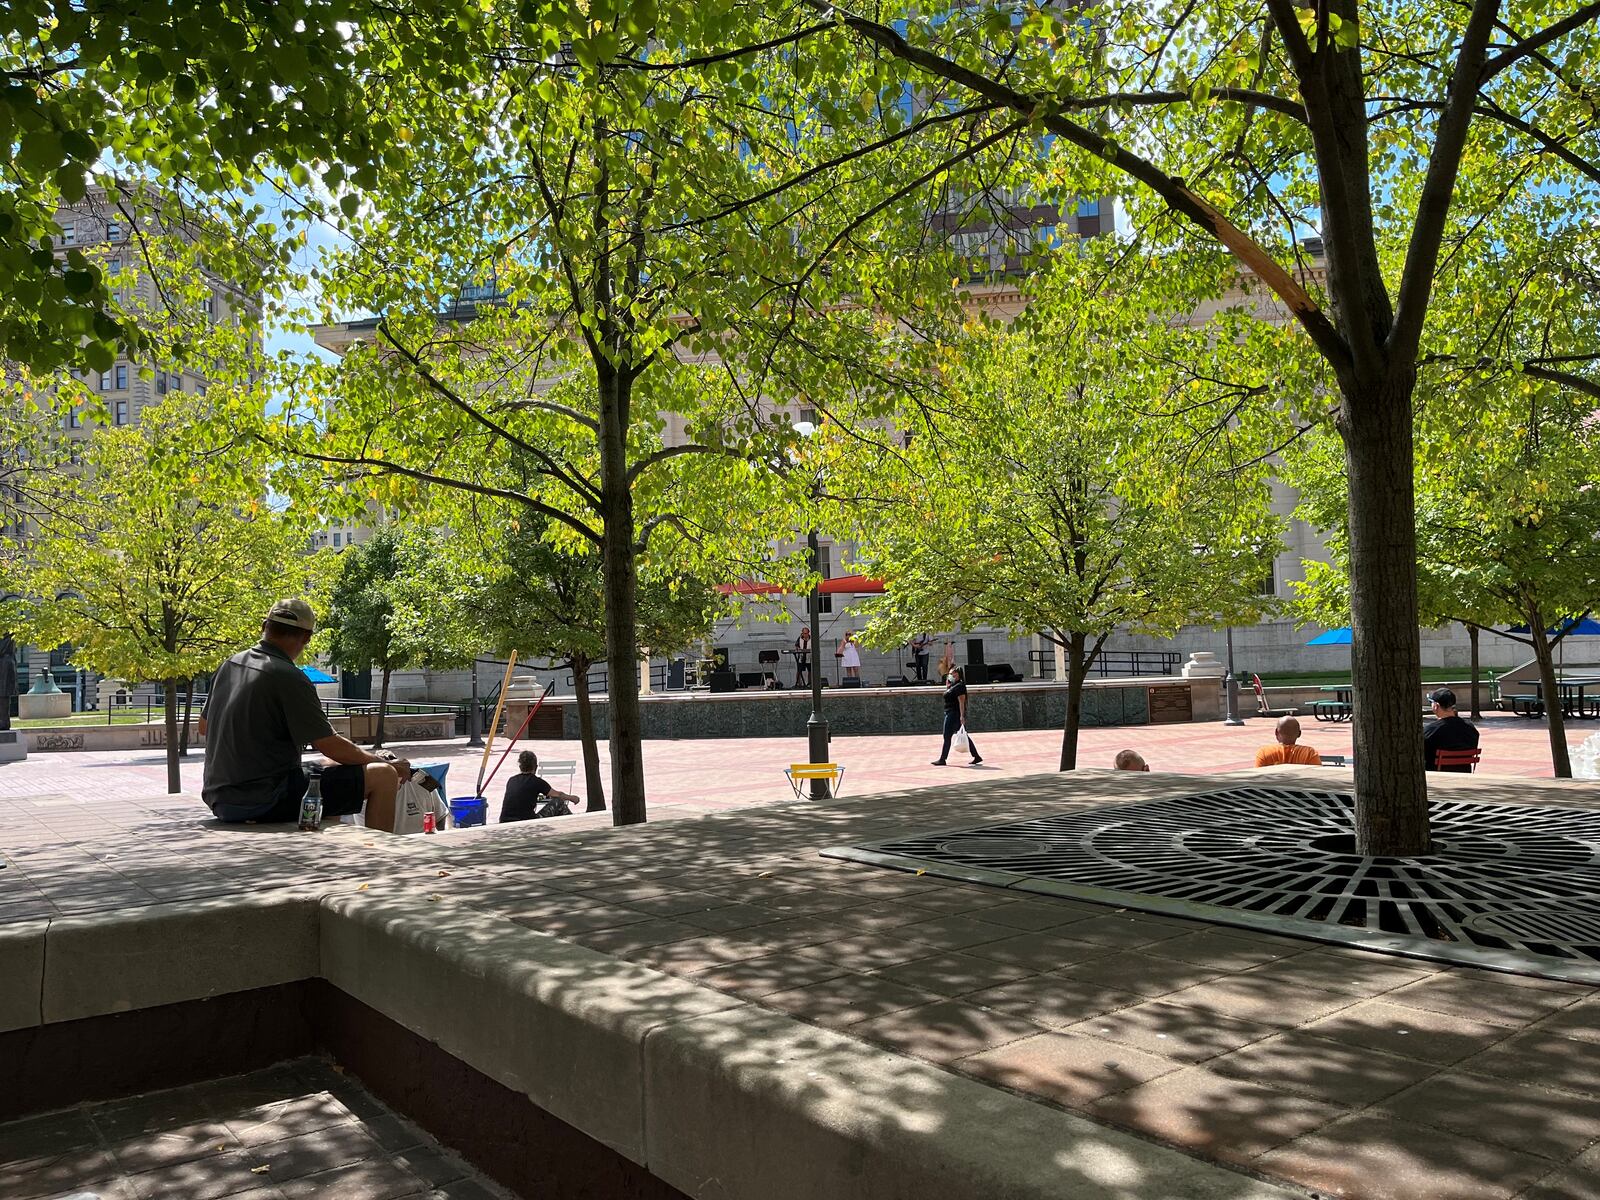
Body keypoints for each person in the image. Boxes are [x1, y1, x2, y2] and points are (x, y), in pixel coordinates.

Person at [199, 599, 406, 824]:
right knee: (383, 775)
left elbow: (204, 726)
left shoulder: (229, 664)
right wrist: (381, 760)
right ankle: (381, 856)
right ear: (307, 637)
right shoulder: (288, 676)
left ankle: (326, 843)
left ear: (264, 626)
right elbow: (329, 745)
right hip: (264, 798)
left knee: (330, 767)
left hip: (220, 798)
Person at [500, 750, 581, 822]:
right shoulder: (537, 782)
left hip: (505, 821)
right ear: (535, 767)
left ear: (520, 766)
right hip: (526, 822)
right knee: (558, 802)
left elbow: (525, 797)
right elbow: (558, 795)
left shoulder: (511, 780)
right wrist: (572, 798)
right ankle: (574, 825)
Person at [932, 665, 983, 766]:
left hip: (953, 714)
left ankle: (943, 759)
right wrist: (948, 685)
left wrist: (962, 716)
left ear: (958, 674)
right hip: (950, 712)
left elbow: (961, 702)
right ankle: (976, 756)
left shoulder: (960, 686)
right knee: (963, 735)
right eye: (949, 674)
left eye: (952, 674)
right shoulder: (953, 685)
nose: (950, 675)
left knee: (947, 735)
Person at [1424, 687, 1480, 771]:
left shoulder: (1430, 731)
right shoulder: (1471, 729)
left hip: (1436, 775)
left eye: (1431, 702)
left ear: (1436, 706)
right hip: (1464, 774)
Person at [1254, 716, 1323, 767]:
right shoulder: (1309, 753)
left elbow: (1257, 779)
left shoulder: (1264, 753)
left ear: (1276, 732)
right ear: (1299, 734)